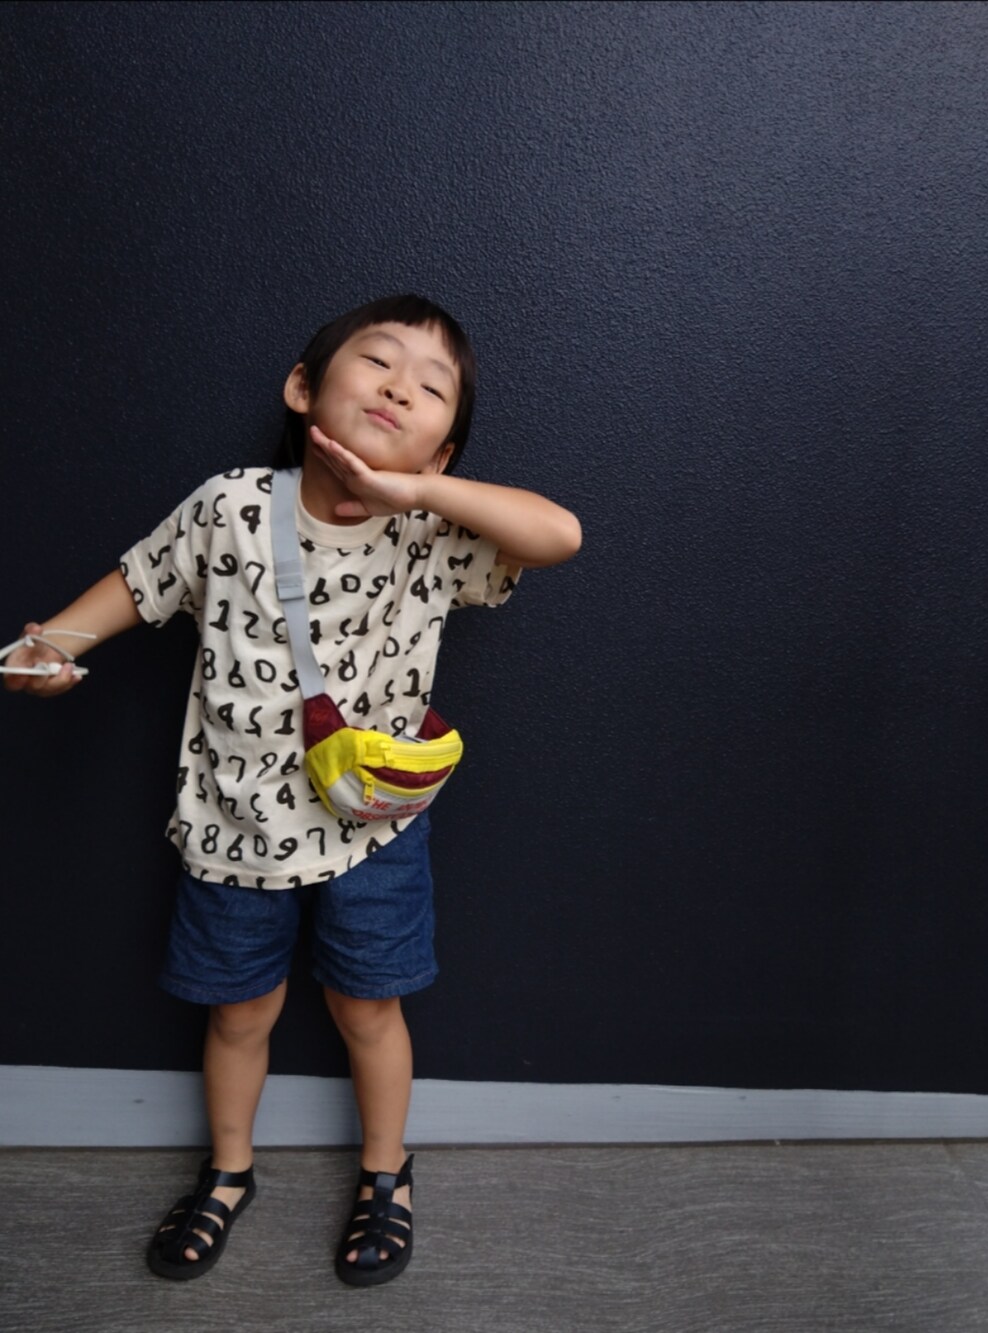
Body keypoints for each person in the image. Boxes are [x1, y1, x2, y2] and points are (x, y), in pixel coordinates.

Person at [4, 294, 582, 1286]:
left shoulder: (436, 529)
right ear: (304, 388)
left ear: (445, 452)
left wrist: (423, 496)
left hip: (377, 832)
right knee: (237, 1013)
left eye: (432, 386)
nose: (401, 386)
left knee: (369, 1008)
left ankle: (386, 1174)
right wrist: (46, 647)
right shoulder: (229, 506)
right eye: (378, 363)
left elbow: (558, 533)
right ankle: (228, 1172)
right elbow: (136, 585)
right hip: (235, 824)